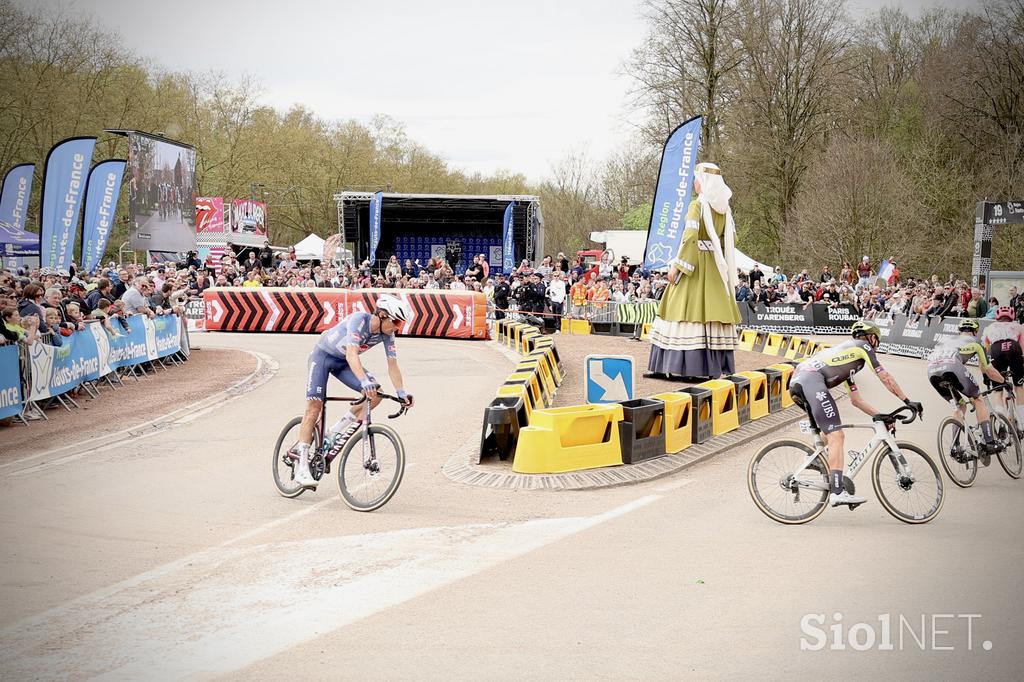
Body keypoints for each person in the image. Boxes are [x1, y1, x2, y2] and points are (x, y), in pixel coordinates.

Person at [790, 321, 923, 508]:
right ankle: (837, 493)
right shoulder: (863, 346)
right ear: (872, 337)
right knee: (837, 434)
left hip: (798, 382)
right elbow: (885, 377)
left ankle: (812, 459)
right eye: (877, 340)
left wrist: (880, 416)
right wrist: (907, 401)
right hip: (811, 382)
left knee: (830, 430)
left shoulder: (847, 357)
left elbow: (856, 400)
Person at [292, 294, 414, 490]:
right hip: (323, 357)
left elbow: (392, 364)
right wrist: (364, 381)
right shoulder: (359, 320)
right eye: (397, 321)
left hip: (344, 364)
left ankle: (333, 432)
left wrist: (401, 392)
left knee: (376, 395)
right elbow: (351, 354)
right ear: (382, 315)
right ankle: (302, 467)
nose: (398, 327)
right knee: (314, 408)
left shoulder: (387, 334)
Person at [648, 163, 742, 379]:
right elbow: (732, 239)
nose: (694, 183)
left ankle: (682, 367)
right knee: (714, 313)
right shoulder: (724, 210)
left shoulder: (697, 206)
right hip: (716, 268)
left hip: (696, 263)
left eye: (696, 179)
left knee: (680, 309)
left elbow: (689, 238)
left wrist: (678, 266)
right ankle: (712, 368)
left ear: (703, 181)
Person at [927, 318, 1008, 461]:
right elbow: (989, 370)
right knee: (978, 399)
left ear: (959, 331)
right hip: (952, 367)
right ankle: (989, 442)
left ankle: (955, 446)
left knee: (960, 405)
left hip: (932, 371)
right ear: (975, 331)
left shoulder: (946, 339)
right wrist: (1005, 382)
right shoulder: (976, 342)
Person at [981, 306, 1024, 430]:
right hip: (1014, 347)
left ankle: (1002, 422)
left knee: (998, 391)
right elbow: (1023, 347)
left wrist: (988, 373)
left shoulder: (989, 328)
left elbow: (987, 348)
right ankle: (1022, 422)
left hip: (996, 349)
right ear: (1012, 316)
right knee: (1019, 387)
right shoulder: (1019, 326)